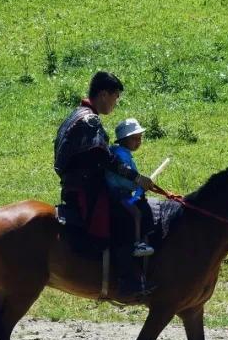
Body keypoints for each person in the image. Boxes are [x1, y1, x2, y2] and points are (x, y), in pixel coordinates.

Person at [53, 71, 158, 296]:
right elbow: (106, 159)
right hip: (87, 189)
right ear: (103, 94)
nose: (115, 103)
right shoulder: (90, 120)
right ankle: (127, 280)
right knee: (124, 217)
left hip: (73, 185)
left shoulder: (75, 115)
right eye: (115, 97)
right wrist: (136, 178)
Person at [106, 118, 155, 258]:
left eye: (140, 138)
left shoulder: (122, 153)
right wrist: (138, 184)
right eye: (134, 138)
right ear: (123, 140)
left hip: (124, 192)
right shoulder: (120, 155)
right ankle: (137, 243)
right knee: (136, 213)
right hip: (118, 194)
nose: (138, 142)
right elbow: (124, 178)